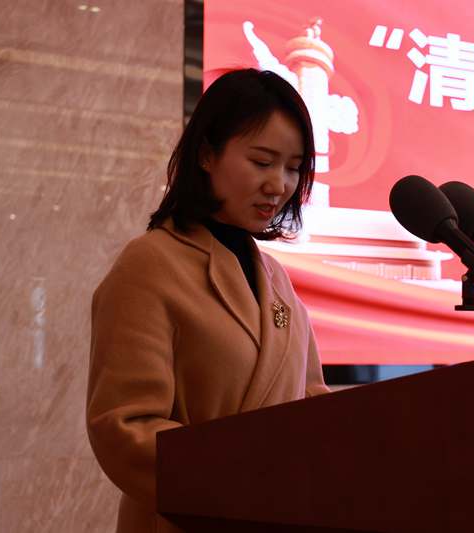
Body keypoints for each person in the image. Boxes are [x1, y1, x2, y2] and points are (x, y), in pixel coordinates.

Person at [86, 68, 332, 533]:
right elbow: (123, 426)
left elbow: (313, 404)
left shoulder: (276, 279)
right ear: (205, 154)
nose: (279, 184)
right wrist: (247, 478)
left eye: (293, 167)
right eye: (262, 161)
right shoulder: (149, 263)